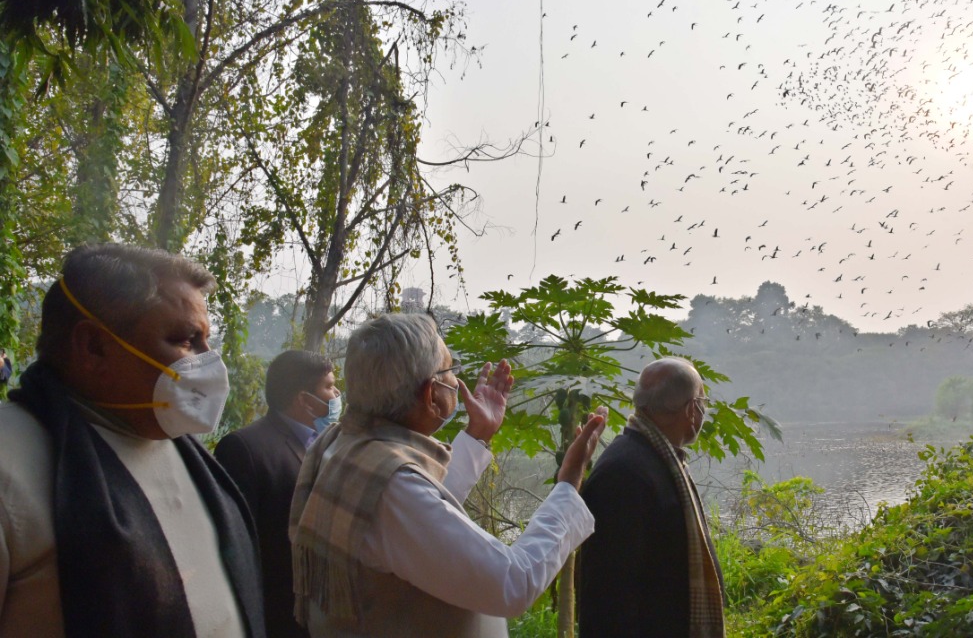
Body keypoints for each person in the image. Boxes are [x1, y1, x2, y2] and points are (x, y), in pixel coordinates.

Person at [0, 243, 266, 637]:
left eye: (206, 341)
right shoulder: (10, 462)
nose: (210, 361)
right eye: (185, 340)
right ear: (93, 347)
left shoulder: (175, 441)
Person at [289, 313, 606, 637]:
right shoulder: (392, 488)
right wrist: (568, 483)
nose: (456, 379)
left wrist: (478, 434)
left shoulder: (348, 446)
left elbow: (422, 513)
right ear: (430, 394)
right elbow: (512, 582)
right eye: (449, 370)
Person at [578, 358, 726, 638]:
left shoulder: (654, 460)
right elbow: (608, 597)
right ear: (692, 409)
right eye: (703, 402)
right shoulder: (623, 473)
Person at [216, 350, 341, 637]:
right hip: (280, 616)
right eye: (329, 386)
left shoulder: (333, 444)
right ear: (304, 399)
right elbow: (238, 545)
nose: (336, 394)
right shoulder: (245, 448)